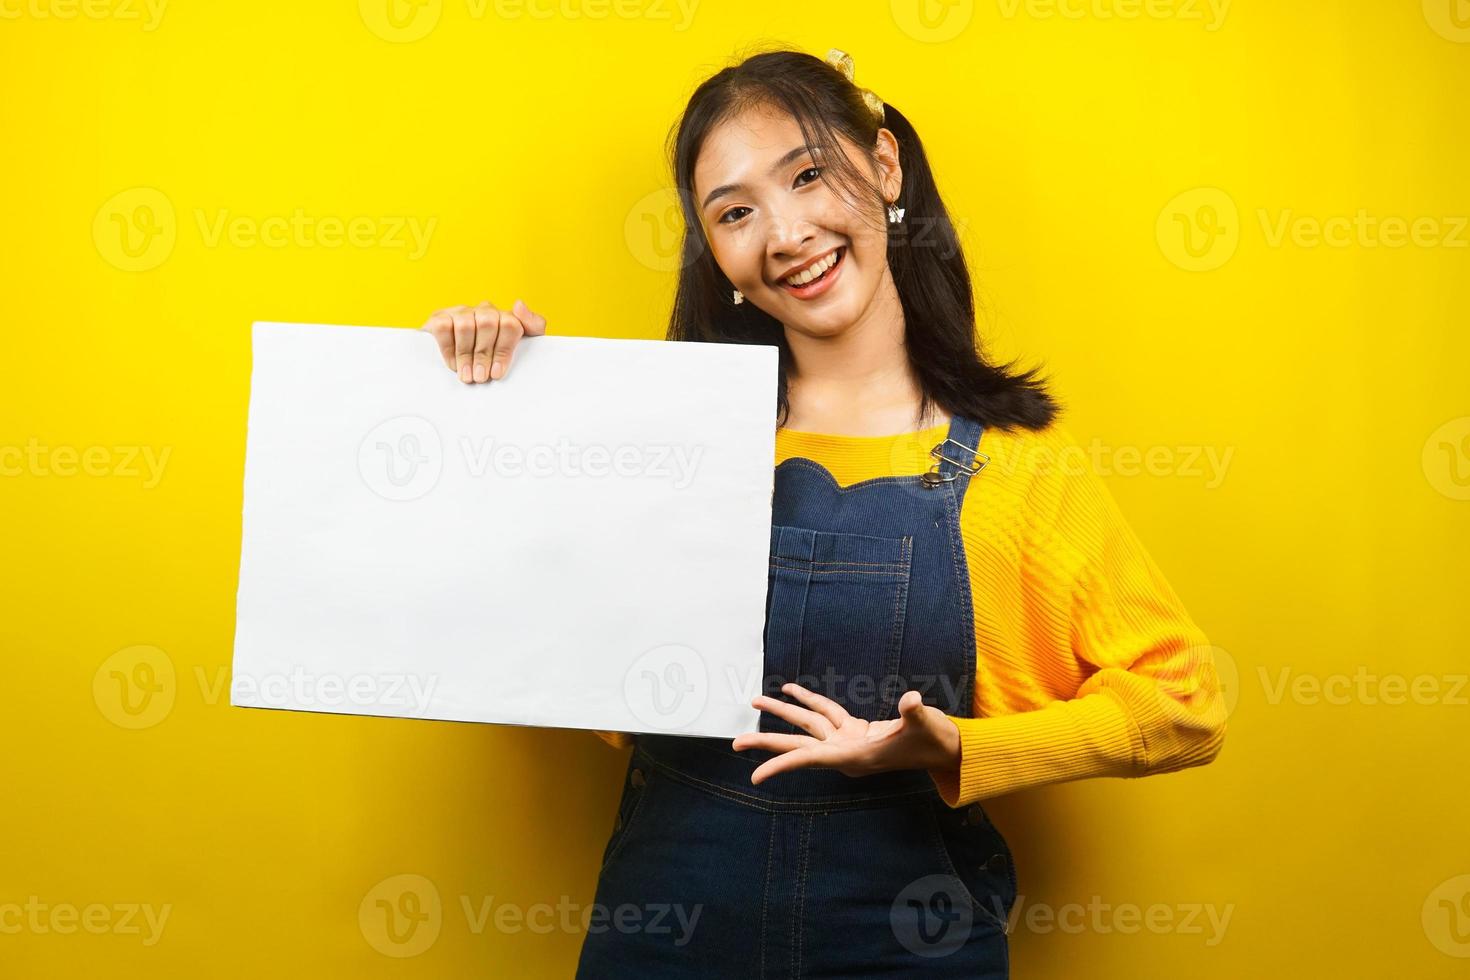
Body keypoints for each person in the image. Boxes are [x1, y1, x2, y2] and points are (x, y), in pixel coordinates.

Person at [419, 45, 1227, 979]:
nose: (786, 232)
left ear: (884, 167)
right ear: (716, 254)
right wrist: (496, 404)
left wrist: (961, 746)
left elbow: (1185, 705)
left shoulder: (1015, 469)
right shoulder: (661, 445)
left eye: (807, 174)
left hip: (912, 946)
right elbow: (552, 645)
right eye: (735, 212)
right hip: (667, 936)